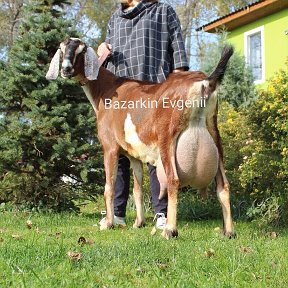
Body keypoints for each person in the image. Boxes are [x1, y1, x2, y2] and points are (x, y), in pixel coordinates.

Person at [98, 0, 189, 229]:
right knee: (117, 152)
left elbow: (177, 51)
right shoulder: (115, 18)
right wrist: (103, 49)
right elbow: (107, 59)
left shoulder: (163, 10)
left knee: (157, 150)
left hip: (154, 90)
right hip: (120, 96)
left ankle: (162, 213)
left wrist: (179, 86)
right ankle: (116, 213)